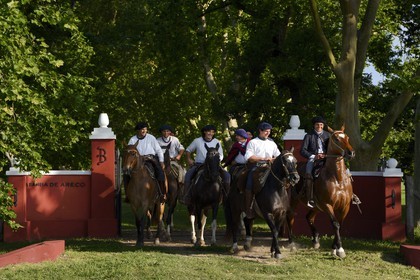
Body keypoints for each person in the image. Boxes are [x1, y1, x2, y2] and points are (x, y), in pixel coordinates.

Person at [183, 125, 231, 205]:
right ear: (204, 132)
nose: (210, 133)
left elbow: (221, 155)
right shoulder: (197, 141)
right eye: (208, 131)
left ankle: (226, 197)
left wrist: (215, 159)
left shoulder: (217, 142)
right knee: (188, 175)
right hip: (199, 164)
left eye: (212, 132)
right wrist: (189, 159)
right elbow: (188, 150)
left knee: (227, 175)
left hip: (214, 165)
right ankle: (187, 196)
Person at [243, 122, 280, 219]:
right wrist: (263, 158)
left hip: (270, 167)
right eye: (266, 131)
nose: (268, 133)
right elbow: (249, 157)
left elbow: (278, 156)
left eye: (269, 131)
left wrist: (273, 160)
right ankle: (249, 208)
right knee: (250, 182)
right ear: (260, 130)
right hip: (257, 167)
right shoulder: (253, 142)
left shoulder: (272, 143)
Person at [127, 122, 167, 203]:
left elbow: (159, 150)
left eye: (145, 129)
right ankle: (128, 194)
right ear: (138, 130)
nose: (144, 131)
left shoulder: (151, 138)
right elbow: (129, 152)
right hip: (137, 161)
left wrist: (161, 161)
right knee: (126, 174)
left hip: (150, 159)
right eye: (142, 129)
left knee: (160, 172)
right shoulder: (132, 139)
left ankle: (162, 193)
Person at [300, 116, 331, 208]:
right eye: (317, 124)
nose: (319, 126)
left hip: (327, 158)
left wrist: (325, 155)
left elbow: (332, 148)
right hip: (313, 159)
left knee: (344, 170)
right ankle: (310, 198)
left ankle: (352, 195)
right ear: (314, 125)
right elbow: (303, 151)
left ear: (323, 125)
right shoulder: (308, 136)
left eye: (321, 124)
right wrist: (314, 156)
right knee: (308, 174)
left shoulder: (328, 135)